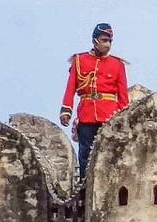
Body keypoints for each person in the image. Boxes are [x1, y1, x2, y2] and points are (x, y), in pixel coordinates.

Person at [60, 23, 129, 180]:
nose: (108, 44)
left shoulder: (117, 64)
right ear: (95, 41)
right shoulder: (79, 61)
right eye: (104, 40)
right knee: (85, 153)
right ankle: (85, 184)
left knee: (110, 152)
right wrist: (66, 110)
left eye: (110, 41)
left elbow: (123, 95)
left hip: (110, 115)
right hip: (87, 113)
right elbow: (70, 88)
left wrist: (124, 118)